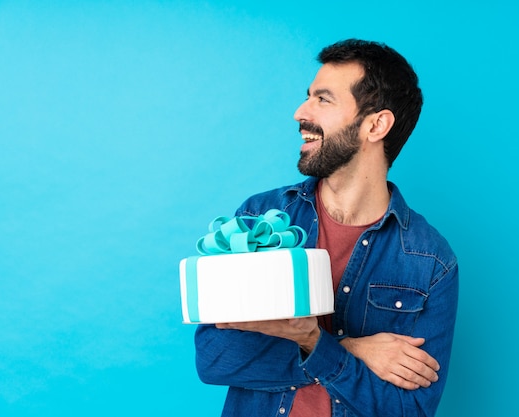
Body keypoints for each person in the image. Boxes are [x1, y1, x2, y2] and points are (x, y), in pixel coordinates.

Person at [194, 39, 459, 416]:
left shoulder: (430, 261)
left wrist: (315, 343)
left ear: (376, 125)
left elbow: (411, 409)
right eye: (308, 97)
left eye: (323, 99)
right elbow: (214, 359)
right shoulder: (259, 217)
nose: (300, 112)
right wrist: (345, 347)